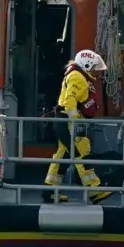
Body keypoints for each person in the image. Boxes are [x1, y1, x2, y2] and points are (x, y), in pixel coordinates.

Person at [45, 49, 108, 203]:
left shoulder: (77, 75)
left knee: (63, 155)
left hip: (64, 120)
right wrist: (75, 121)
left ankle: (50, 190)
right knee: (82, 152)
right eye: (94, 68)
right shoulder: (78, 77)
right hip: (70, 121)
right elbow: (69, 101)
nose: (96, 71)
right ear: (86, 65)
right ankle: (94, 190)